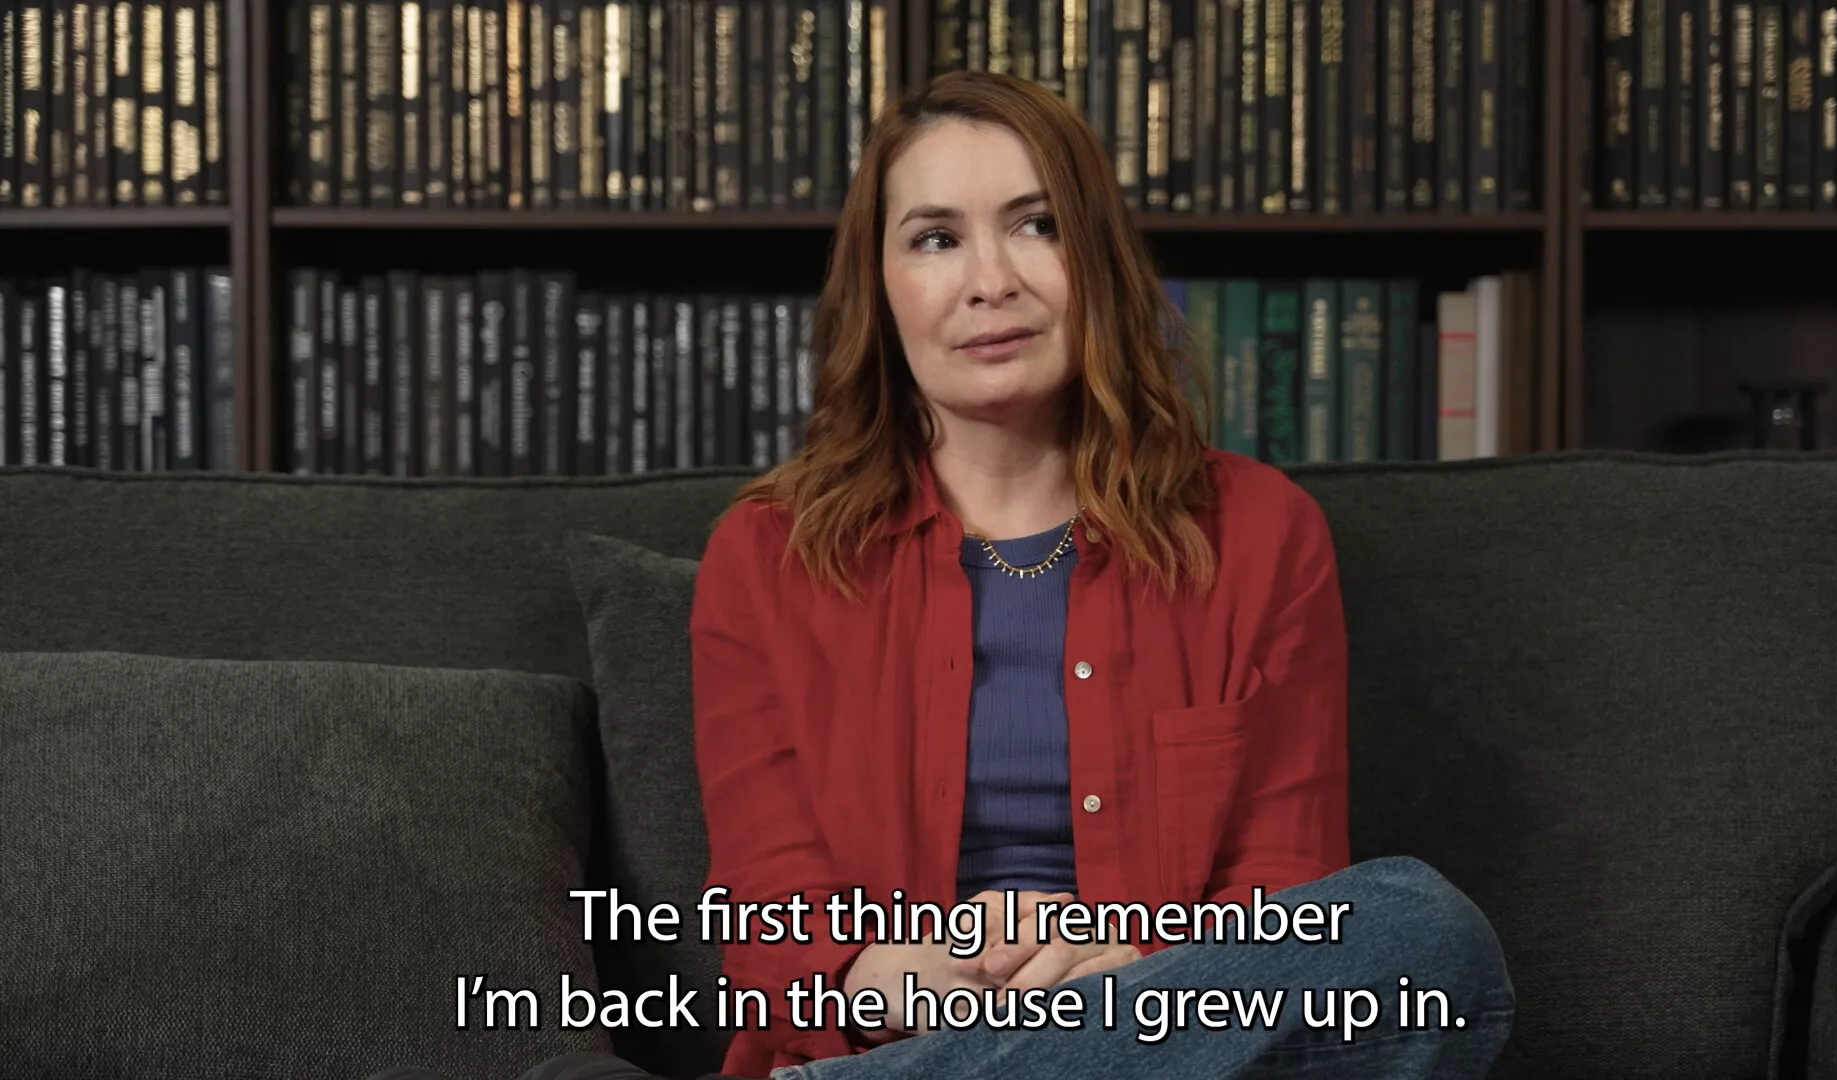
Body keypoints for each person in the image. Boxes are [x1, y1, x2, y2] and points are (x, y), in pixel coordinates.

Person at [372, 68, 1512, 1080]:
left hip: (1173, 1017)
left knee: (1421, 934)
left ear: (1098, 261)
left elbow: (1286, 887)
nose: (989, 281)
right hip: (896, 1032)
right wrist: (892, 977)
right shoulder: (768, 554)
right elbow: (769, 913)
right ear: (881, 289)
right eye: (934, 239)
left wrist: (1134, 971)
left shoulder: (1259, 532)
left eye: (1035, 225)